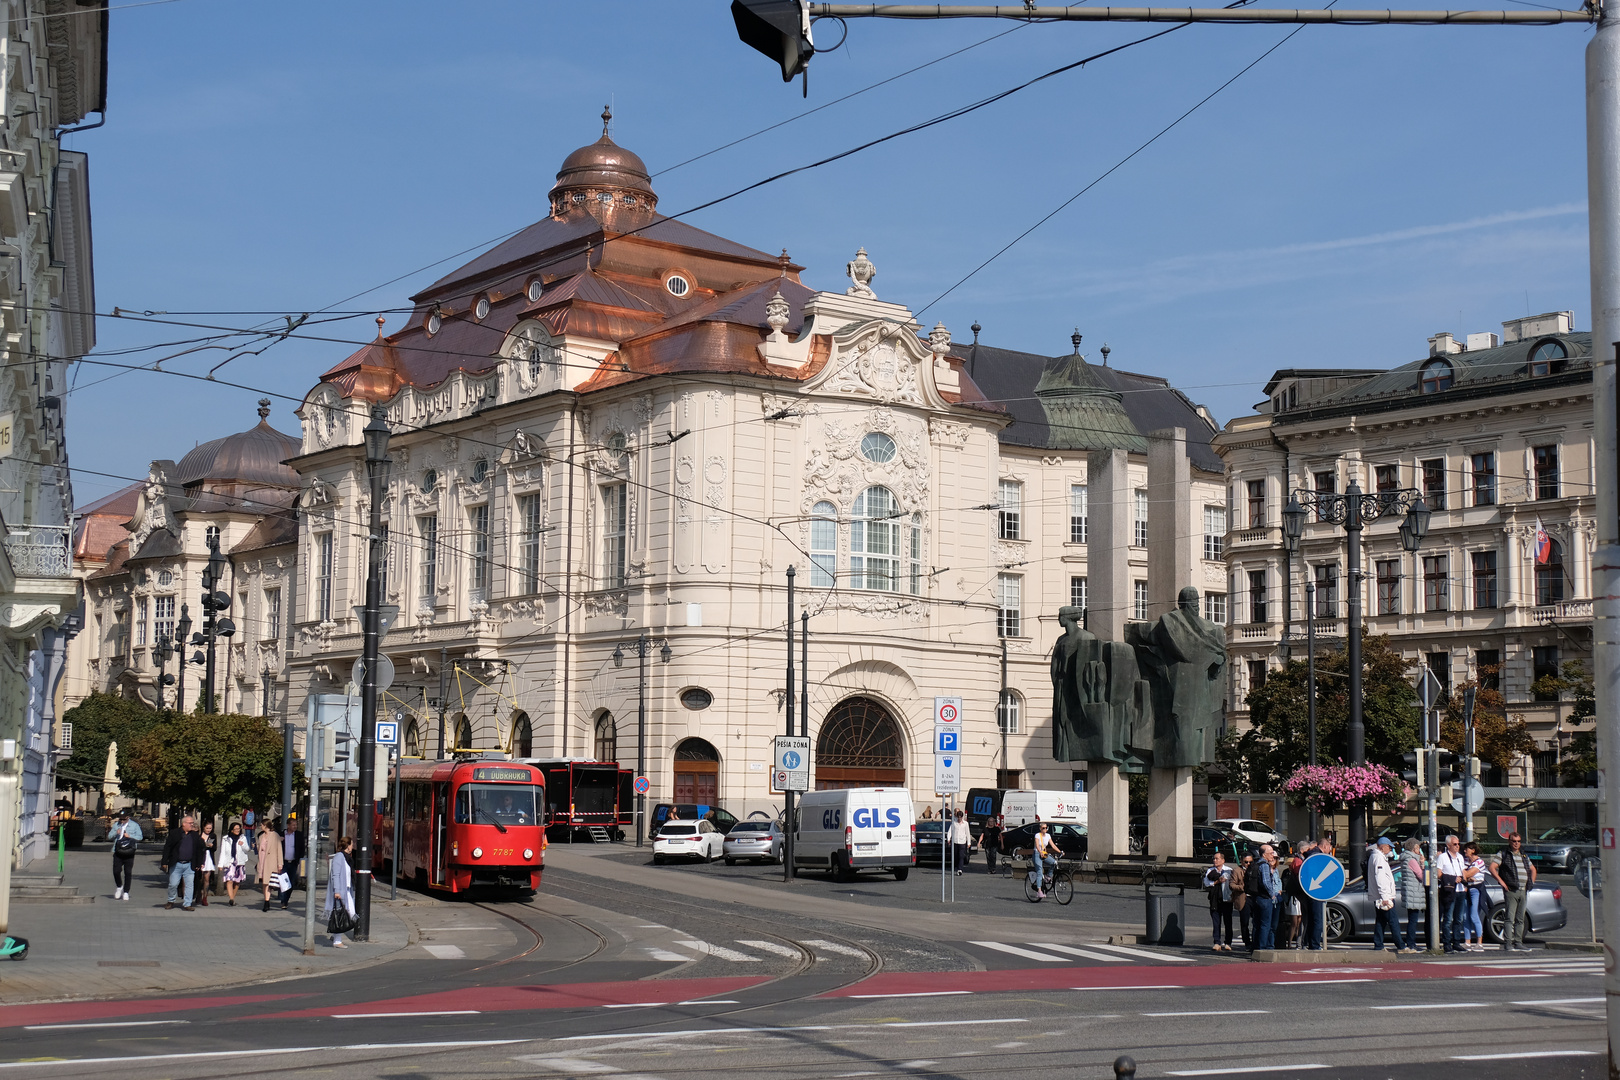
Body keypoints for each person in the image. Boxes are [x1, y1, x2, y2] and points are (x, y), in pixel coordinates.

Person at [1489, 832, 1536, 953]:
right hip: (1511, 890)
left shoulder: (1523, 855)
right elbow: (1492, 867)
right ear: (1509, 842)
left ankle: (1518, 942)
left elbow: (1532, 869)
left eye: (1519, 841)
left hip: (1523, 890)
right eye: (1514, 841)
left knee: (1520, 918)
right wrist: (1502, 882)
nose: (1516, 844)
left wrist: (1530, 882)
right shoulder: (1504, 854)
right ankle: (1508, 943)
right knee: (1510, 917)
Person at [159, 815, 203, 911]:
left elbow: (200, 850)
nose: (192, 825)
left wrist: (199, 863)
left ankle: (187, 904)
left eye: (192, 823)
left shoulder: (194, 835)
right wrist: (164, 862)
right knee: (173, 884)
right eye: (190, 823)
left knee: (189, 884)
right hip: (176, 864)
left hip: (189, 864)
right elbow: (167, 848)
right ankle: (171, 900)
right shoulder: (175, 833)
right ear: (183, 824)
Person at [1435, 834, 1468, 953]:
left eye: (1458, 844)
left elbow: (1463, 870)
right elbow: (1439, 874)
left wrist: (1465, 884)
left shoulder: (1460, 857)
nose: (1457, 846)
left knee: (1458, 918)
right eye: (1455, 844)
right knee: (1448, 918)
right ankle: (1446, 943)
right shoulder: (1443, 857)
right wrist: (1452, 878)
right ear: (1448, 845)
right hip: (1449, 891)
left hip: (1460, 890)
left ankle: (1457, 942)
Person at [323, 836, 358, 949]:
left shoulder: (347, 857)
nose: (353, 846)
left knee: (346, 913)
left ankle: (336, 935)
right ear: (347, 845)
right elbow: (335, 875)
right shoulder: (339, 857)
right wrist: (337, 891)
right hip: (341, 891)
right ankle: (337, 941)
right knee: (343, 914)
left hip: (347, 889)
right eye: (351, 844)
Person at [1369, 837, 1402, 952]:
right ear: (1383, 847)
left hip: (1381, 896)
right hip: (1384, 897)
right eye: (1389, 847)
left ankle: (1378, 944)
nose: (1390, 850)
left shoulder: (1377, 857)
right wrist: (1385, 897)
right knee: (1393, 921)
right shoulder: (1379, 858)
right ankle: (1400, 945)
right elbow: (1381, 878)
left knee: (1381, 921)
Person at [1399, 837, 1428, 953]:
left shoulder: (1406, 859)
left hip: (1410, 891)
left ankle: (1411, 942)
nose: (1420, 849)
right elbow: (1421, 876)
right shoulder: (1412, 860)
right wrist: (1422, 863)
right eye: (1418, 847)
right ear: (1415, 848)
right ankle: (1411, 943)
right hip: (1414, 892)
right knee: (1413, 920)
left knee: (1412, 919)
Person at [1250, 844, 1280, 950]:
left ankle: (1256, 947)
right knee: (1265, 925)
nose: (1273, 855)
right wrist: (1272, 894)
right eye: (1271, 853)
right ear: (1264, 854)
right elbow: (1266, 882)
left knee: (1257, 924)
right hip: (1264, 898)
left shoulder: (1256, 864)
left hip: (1256, 897)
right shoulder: (1265, 865)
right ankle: (1262, 948)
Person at [1203, 851, 1234, 951]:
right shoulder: (1210, 871)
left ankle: (1228, 942)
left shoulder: (1229, 870)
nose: (1215, 860)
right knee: (1216, 921)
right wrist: (1217, 881)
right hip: (1215, 898)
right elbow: (1207, 883)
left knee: (1228, 921)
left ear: (1223, 860)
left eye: (1217, 858)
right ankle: (1217, 942)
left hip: (1227, 898)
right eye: (1214, 858)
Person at [1461, 841, 1489, 952]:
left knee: (1474, 915)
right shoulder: (1466, 861)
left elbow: (1466, 874)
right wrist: (1466, 877)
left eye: (1467, 849)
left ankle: (1479, 942)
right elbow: (1460, 873)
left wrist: (1466, 876)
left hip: (1476, 890)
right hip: (1466, 889)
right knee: (1465, 916)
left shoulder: (1479, 862)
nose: (1464, 851)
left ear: (1473, 850)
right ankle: (1467, 942)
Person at [257, 819, 285, 913]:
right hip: (262, 860)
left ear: (266, 825)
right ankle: (266, 900)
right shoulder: (261, 836)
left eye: (262, 825)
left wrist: (280, 863)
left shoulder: (275, 835)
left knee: (269, 882)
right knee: (264, 883)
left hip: (271, 861)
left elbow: (279, 850)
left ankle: (266, 901)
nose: (261, 826)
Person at [220, 821, 251, 906]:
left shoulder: (242, 838)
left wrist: (243, 845)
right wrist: (220, 864)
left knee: (237, 882)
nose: (237, 830)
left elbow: (247, 849)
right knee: (229, 880)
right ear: (232, 830)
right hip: (230, 862)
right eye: (236, 829)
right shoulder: (226, 838)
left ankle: (232, 897)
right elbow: (223, 852)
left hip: (239, 862)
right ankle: (231, 898)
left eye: (239, 829)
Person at [1032, 821, 1061, 898]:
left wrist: (1060, 851)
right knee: (1039, 871)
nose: (1045, 829)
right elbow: (1037, 845)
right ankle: (1039, 891)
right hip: (1037, 854)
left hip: (1044, 854)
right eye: (1043, 828)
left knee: (1054, 862)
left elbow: (1053, 845)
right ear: (1040, 829)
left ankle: (1048, 877)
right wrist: (1040, 851)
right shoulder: (1037, 835)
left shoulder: (1048, 836)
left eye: (1046, 828)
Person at [1231, 852, 1253, 951]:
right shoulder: (1236, 871)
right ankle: (1247, 942)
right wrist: (1243, 887)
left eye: (1250, 862)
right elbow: (1232, 885)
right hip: (1243, 898)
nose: (1248, 864)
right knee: (1244, 922)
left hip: (1254, 898)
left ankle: (1256, 941)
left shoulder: (1255, 870)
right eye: (1246, 862)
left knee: (1257, 921)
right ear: (1241, 861)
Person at [196, 819, 217, 906]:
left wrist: (211, 846)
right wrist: (204, 845)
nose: (209, 830)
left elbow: (215, 848)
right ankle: (198, 894)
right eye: (207, 828)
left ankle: (205, 897)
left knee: (207, 878)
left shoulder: (213, 836)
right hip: (201, 857)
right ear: (203, 827)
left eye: (210, 828)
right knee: (200, 878)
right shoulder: (199, 836)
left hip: (209, 858)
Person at [947, 810, 972, 876]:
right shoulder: (954, 823)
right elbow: (950, 831)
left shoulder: (965, 824)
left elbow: (967, 833)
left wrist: (969, 842)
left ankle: (960, 869)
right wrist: (948, 838)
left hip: (962, 841)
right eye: (958, 817)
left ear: (962, 817)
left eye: (960, 817)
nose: (959, 819)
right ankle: (956, 866)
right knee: (955, 855)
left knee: (961, 856)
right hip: (955, 841)